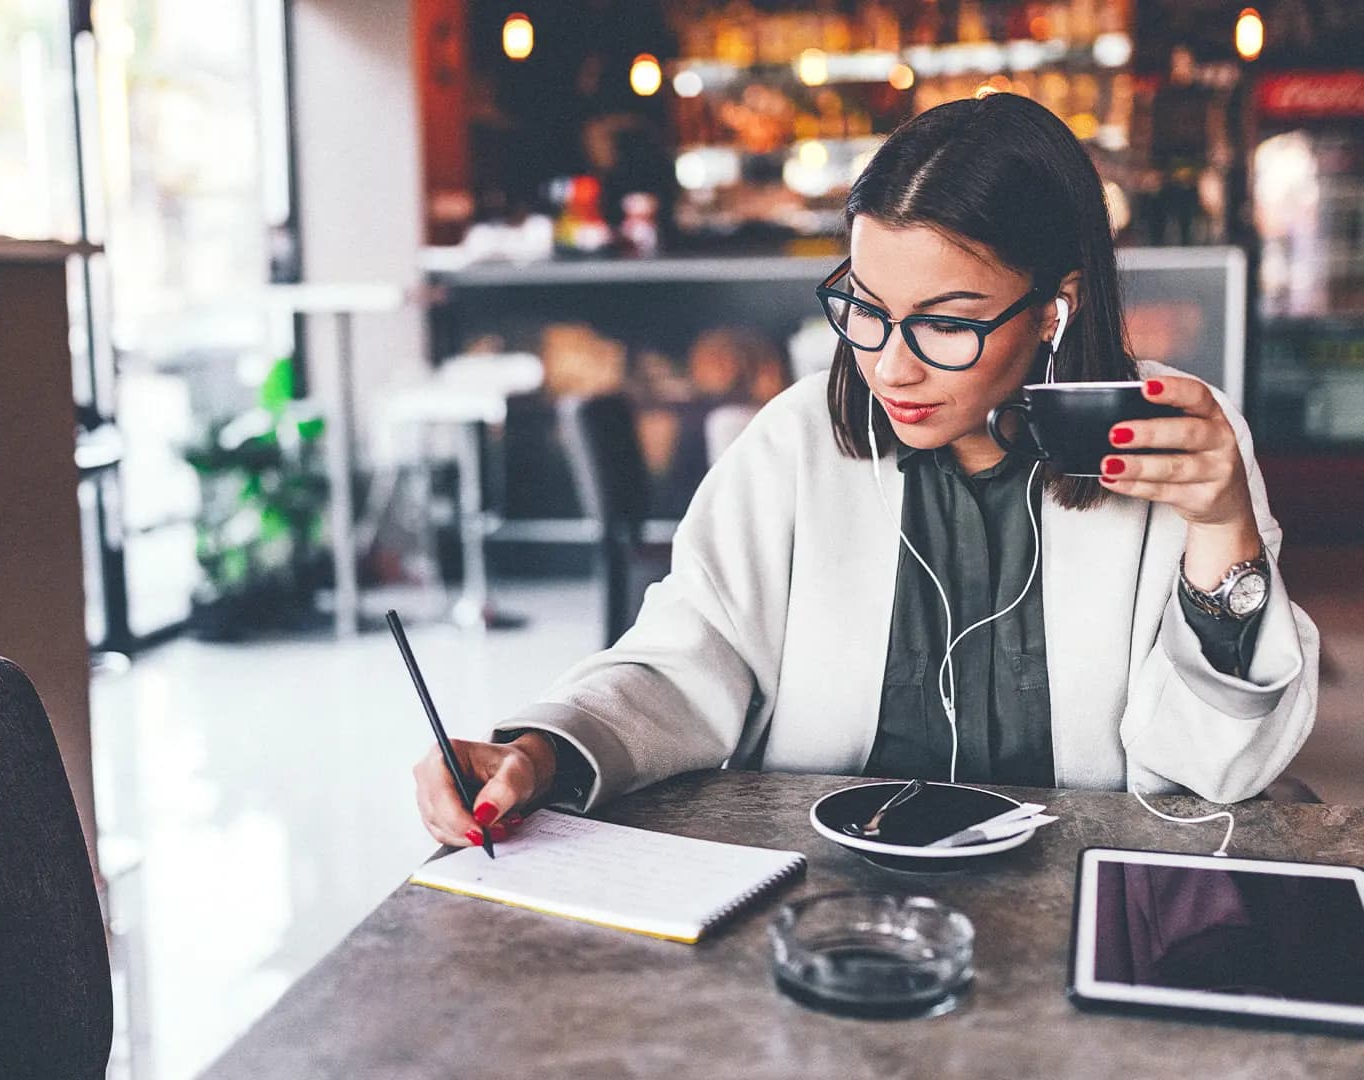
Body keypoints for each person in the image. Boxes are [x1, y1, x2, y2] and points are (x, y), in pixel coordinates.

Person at [415, 93, 1319, 850]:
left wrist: (1223, 529)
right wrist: (541, 749)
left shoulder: (1171, 443)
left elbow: (1218, 770)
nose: (890, 366)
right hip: (820, 900)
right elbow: (683, 665)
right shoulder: (797, 444)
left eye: (947, 323)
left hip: (1078, 897)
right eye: (867, 307)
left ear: (1057, 308)